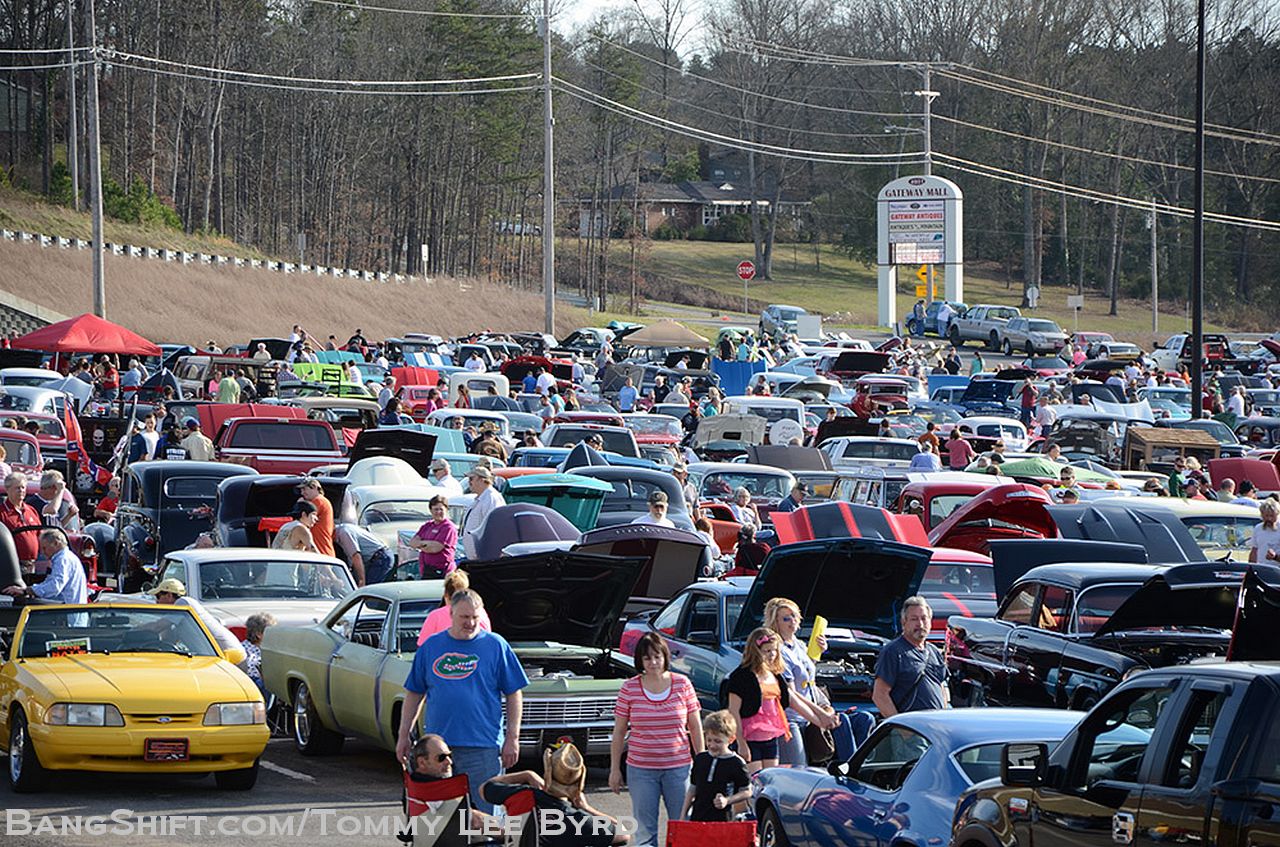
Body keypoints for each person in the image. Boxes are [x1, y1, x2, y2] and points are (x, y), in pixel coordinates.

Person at [396, 589, 528, 814]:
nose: (470, 623)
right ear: (451, 614)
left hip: (483, 747)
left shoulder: (496, 646)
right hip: (438, 749)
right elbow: (415, 694)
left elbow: (514, 693)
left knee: (486, 816)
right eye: (464, 617)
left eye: (475, 617)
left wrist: (512, 738)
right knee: (438, 815)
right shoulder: (431, 647)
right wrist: (403, 735)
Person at [609, 632, 703, 847]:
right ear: (640, 661)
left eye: (657, 656)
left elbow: (695, 727)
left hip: (679, 767)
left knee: (683, 825)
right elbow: (619, 731)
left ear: (665, 657)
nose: (653, 662)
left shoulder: (682, 684)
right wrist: (614, 769)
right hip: (641, 769)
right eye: (647, 658)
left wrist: (702, 762)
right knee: (645, 831)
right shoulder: (629, 688)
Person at [765, 597, 874, 766]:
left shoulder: (799, 645)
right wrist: (820, 716)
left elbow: (807, 677)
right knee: (798, 768)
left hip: (812, 712)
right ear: (775, 622)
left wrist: (818, 652)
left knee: (863, 719)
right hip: (792, 718)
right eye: (786, 618)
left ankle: (854, 769)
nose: (792, 621)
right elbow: (791, 694)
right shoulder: (778, 651)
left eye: (794, 616)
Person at [727, 628, 835, 773]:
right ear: (755, 651)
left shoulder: (775, 675)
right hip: (750, 737)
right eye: (767, 651)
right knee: (755, 778)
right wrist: (741, 743)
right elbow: (733, 711)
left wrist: (820, 720)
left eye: (775, 650)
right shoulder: (741, 676)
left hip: (770, 737)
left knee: (772, 777)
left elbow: (794, 701)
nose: (772, 655)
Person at [486, 743, 629, 846]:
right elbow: (624, 834)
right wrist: (586, 808)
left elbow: (486, 787)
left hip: (517, 833)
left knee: (484, 822)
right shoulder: (579, 821)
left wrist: (526, 775)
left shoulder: (523, 795)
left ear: (547, 774)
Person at [871, 596, 949, 717]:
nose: (920, 624)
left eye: (924, 618)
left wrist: (943, 715)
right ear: (904, 622)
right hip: (910, 725)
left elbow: (941, 686)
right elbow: (880, 695)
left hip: (935, 723)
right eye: (914, 619)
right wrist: (899, 725)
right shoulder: (893, 652)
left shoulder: (934, 652)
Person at [681, 710, 750, 823]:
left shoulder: (736, 763)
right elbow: (693, 788)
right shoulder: (701, 759)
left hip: (723, 820)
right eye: (709, 740)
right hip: (698, 818)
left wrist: (727, 800)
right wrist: (683, 815)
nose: (712, 745)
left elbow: (747, 791)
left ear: (731, 739)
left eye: (718, 741)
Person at [148, 577, 241, 654]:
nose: (157, 601)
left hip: (229, 655)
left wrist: (138, 629)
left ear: (169, 595)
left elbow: (157, 627)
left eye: (158, 596)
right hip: (219, 655)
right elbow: (167, 641)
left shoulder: (183, 602)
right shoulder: (178, 617)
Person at [2, 528, 88, 604]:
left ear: (56, 543)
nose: (43, 553)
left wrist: (27, 591)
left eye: (44, 548)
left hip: (67, 612)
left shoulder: (62, 560)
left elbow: (54, 587)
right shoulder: (69, 557)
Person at [417, 569, 492, 645]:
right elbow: (487, 641)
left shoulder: (435, 616)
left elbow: (423, 645)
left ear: (445, 595)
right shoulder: (479, 612)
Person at [408, 495, 457, 578]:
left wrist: (420, 545)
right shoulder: (428, 525)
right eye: (436, 509)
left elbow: (436, 548)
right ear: (430, 510)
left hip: (442, 571)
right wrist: (427, 544)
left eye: (441, 509)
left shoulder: (448, 527)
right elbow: (412, 543)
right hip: (427, 569)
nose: (438, 512)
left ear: (446, 510)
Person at [334, 522, 392, 586]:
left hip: (380, 558)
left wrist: (361, 581)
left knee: (369, 588)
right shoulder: (342, 529)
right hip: (375, 557)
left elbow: (356, 556)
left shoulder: (343, 533)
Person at [239, 612, 277, 696]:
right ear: (259, 634)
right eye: (271, 631)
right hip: (252, 685)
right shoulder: (244, 650)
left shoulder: (271, 647)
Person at [298, 477, 335, 557]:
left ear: (314, 487)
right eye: (301, 490)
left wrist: (300, 505)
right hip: (320, 550)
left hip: (321, 551)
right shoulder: (321, 500)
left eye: (304, 489)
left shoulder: (319, 501)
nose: (302, 493)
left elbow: (302, 519)